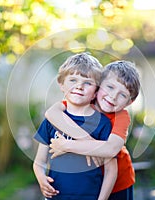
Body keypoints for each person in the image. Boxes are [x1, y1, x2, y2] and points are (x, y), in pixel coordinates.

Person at [45, 60, 140, 200]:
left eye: (123, 95)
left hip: (119, 182)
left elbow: (111, 149)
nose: (113, 96)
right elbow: (51, 113)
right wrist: (88, 141)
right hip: (90, 181)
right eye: (110, 87)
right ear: (98, 85)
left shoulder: (121, 117)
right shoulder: (82, 102)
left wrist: (66, 146)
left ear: (129, 103)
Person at [33, 52, 118, 200]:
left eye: (87, 83)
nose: (79, 86)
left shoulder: (102, 123)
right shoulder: (51, 121)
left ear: (96, 92)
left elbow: (111, 169)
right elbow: (39, 161)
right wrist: (41, 178)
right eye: (73, 80)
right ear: (61, 85)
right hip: (57, 196)